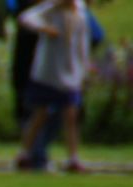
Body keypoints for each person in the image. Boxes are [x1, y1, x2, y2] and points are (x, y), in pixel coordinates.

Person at [11, 0, 104, 170]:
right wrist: (45, 29)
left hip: (70, 73)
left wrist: (83, 70)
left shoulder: (80, 14)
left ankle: (73, 158)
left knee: (70, 115)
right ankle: (25, 153)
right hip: (48, 71)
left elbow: (83, 44)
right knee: (40, 113)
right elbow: (26, 18)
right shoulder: (50, 10)